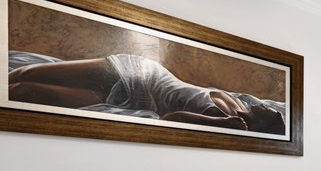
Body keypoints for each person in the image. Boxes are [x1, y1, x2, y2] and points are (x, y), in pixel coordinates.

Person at [7, 51, 285, 135]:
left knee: (25, 91)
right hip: (136, 73)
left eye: (271, 113)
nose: (270, 107)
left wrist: (220, 124)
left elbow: (172, 118)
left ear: (259, 122)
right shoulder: (241, 103)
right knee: (27, 73)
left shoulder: (223, 115)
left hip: (130, 100)